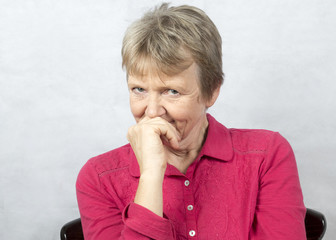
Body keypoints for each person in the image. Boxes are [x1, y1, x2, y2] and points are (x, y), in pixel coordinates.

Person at [76, 3, 306, 239]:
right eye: (139, 89)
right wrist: (151, 174)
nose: (153, 111)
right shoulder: (98, 177)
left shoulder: (266, 155)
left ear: (212, 91)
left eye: (172, 91)